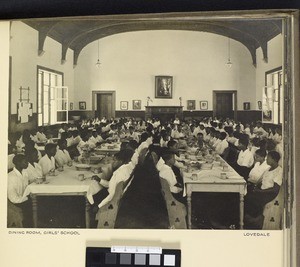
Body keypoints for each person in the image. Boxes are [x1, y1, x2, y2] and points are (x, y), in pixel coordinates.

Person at [245, 151, 282, 228]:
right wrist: (256, 187)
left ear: (274, 159)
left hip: (269, 194)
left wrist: (260, 191)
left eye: (268, 158)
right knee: (246, 194)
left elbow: (275, 190)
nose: (266, 159)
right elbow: (261, 181)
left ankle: (255, 219)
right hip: (262, 191)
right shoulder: (268, 169)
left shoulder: (279, 171)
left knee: (250, 198)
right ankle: (253, 218)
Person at [7, 154, 32, 227]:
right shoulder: (11, 177)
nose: (27, 163)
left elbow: (26, 188)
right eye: (25, 161)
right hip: (15, 202)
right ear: (18, 163)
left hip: (23, 199)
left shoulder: (24, 173)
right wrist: (27, 198)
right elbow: (13, 199)